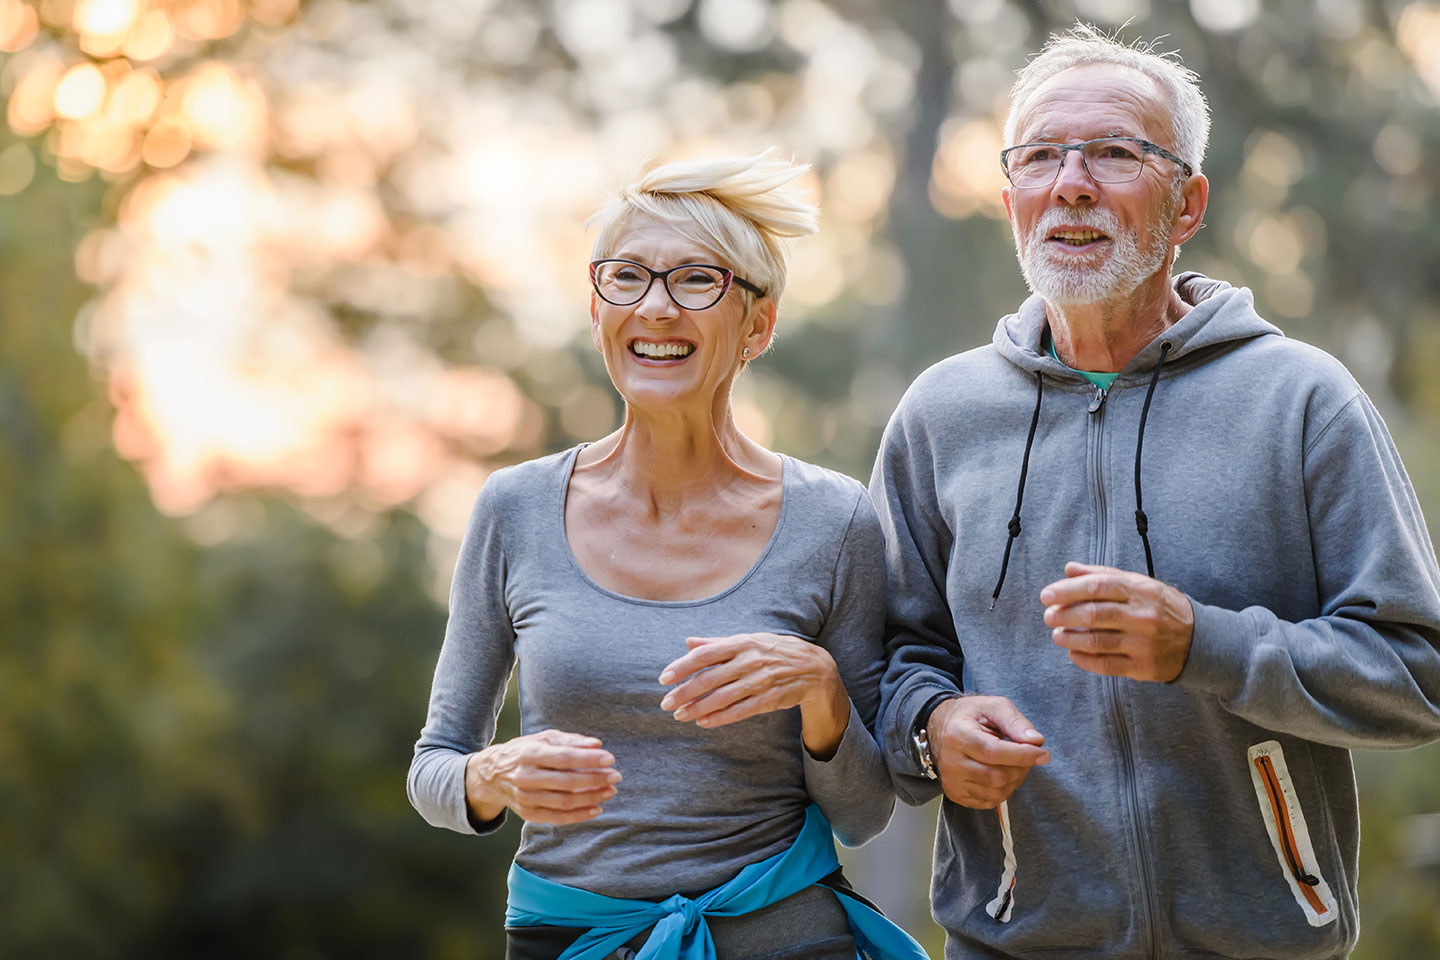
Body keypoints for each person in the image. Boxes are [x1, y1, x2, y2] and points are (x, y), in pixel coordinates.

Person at [871, 23, 1440, 960]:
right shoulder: (943, 413)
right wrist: (932, 727)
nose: (1073, 182)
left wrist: (1204, 646)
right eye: (1042, 156)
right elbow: (891, 656)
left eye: (1115, 154)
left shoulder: (1301, 399)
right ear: (1010, 195)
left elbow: (1415, 676)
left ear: (1187, 204)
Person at [408, 152, 926, 960]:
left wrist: (821, 693)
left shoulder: (835, 522)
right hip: (569, 940)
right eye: (629, 277)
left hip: (784, 940)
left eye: (696, 280)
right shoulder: (516, 509)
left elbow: (866, 814)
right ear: (596, 308)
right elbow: (434, 767)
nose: (656, 307)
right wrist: (490, 778)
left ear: (758, 324)